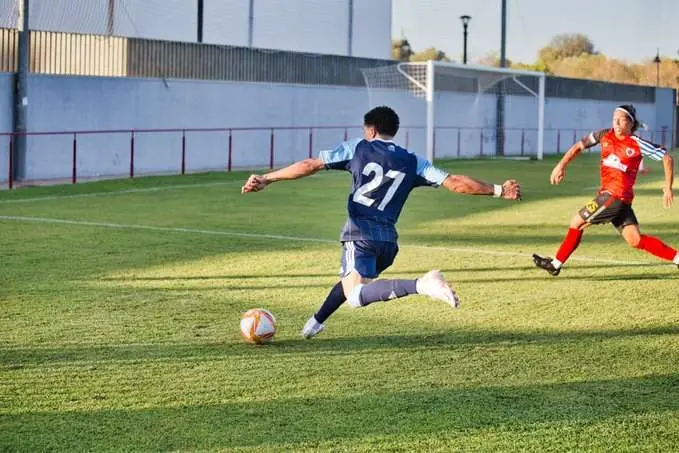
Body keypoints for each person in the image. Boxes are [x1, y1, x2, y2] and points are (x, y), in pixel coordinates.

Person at [242, 106, 521, 338]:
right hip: (387, 241)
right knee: (353, 282)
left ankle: (423, 284)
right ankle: (316, 322)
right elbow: (456, 183)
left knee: (355, 295)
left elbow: (310, 164)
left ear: (371, 129)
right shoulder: (414, 161)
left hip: (360, 232)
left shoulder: (358, 147)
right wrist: (498, 189)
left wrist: (268, 178)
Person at [533, 104, 678, 276]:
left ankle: (556, 264)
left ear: (631, 123)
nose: (616, 122)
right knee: (635, 240)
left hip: (614, 197)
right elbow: (580, 145)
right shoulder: (604, 134)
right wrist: (561, 165)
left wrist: (667, 187)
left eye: (621, 119)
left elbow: (667, 158)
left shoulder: (637, 143)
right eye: (614, 118)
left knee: (576, 223)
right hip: (618, 200)